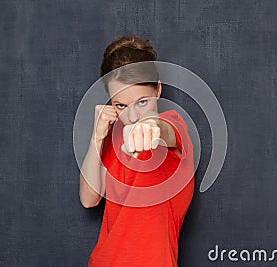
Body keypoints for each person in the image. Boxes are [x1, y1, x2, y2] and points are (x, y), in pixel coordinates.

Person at [79, 35, 195, 267]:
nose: (132, 117)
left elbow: (162, 130)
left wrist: (151, 125)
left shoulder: (174, 126)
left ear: (158, 90)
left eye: (142, 102)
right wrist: (96, 138)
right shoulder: (113, 140)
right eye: (121, 105)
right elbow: (88, 199)